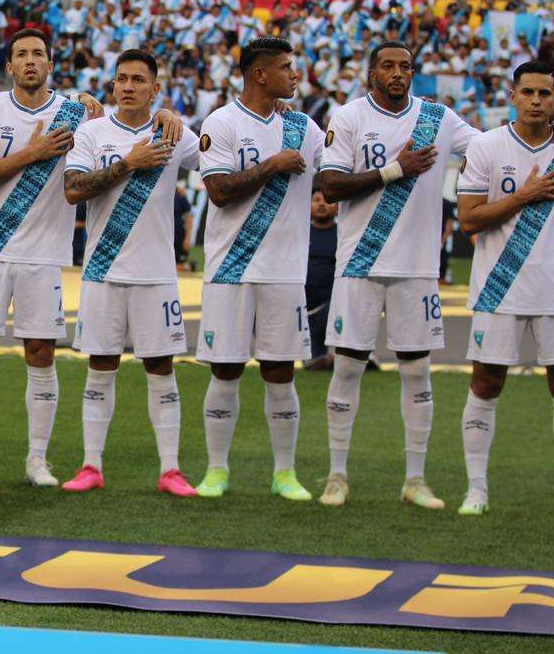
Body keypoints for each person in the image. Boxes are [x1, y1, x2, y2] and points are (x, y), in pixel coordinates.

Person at [0, 29, 174, 486]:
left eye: (38, 54)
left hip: (44, 254)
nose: (30, 61)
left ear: (50, 64)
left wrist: (166, 111)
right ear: (9, 66)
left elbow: (128, 119)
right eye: (21, 55)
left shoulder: (78, 114)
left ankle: (37, 460)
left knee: (40, 354)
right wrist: (31, 153)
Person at [316, 42, 478, 508]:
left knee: (417, 372)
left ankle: (415, 480)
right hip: (359, 264)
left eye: (405, 66)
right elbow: (331, 185)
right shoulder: (348, 117)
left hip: (417, 267)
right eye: (387, 66)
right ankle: (337, 475)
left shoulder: (438, 119)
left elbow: (489, 147)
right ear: (371, 73)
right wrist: (394, 170)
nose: (397, 73)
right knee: (346, 366)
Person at [61, 49, 200, 496]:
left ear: (155, 88)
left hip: (157, 272)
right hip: (102, 269)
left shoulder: (174, 132)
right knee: (101, 366)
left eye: (139, 80)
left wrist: (174, 115)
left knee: (161, 368)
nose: (128, 86)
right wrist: (128, 164)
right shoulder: (92, 132)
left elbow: (216, 157)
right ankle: (90, 465)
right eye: (122, 78)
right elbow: (73, 190)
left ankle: (171, 470)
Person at [194, 36, 323, 502]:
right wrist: (271, 165)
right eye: (287, 67)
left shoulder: (305, 128)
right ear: (260, 75)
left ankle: (284, 473)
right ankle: (216, 470)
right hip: (230, 267)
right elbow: (220, 191)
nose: (295, 75)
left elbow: (324, 181)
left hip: (285, 270)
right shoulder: (222, 122)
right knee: (225, 369)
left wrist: (325, 204)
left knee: (280, 371)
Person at [454, 60, 554, 515]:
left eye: (545, 94)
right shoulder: (487, 147)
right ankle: (477, 488)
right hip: (498, 287)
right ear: (512, 95)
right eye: (529, 92)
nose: (537, 101)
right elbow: (468, 219)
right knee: (486, 383)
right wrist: (522, 197)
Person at [305, 187, 338, 371]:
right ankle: (330, 358)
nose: (322, 204)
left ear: (338, 207)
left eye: (328, 200)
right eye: (316, 200)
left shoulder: (344, 235)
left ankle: (356, 351)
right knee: (313, 365)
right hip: (300, 308)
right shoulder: (299, 233)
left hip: (331, 306)